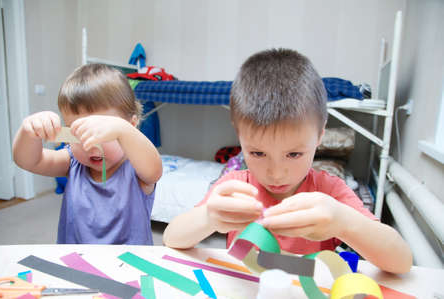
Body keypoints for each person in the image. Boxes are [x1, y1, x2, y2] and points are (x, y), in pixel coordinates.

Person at [163, 49, 412, 274]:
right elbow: (172, 238)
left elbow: (401, 262)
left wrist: (344, 222)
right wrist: (209, 217)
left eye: (294, 154)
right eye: (258, 154)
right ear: (240, 138)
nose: (276, 173)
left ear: (319, 136)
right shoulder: (236, 187)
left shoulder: (330, 192)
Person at [13, 64, 162, 245]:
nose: (90, 144)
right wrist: (29, 131)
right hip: (77, 261)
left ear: (131, 126)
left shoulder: (138, 166)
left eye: (104, 133)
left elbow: (154, 171)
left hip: (128, 265)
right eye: (79, 132)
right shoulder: (72, 161)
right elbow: (28, 161)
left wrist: (123, 131)